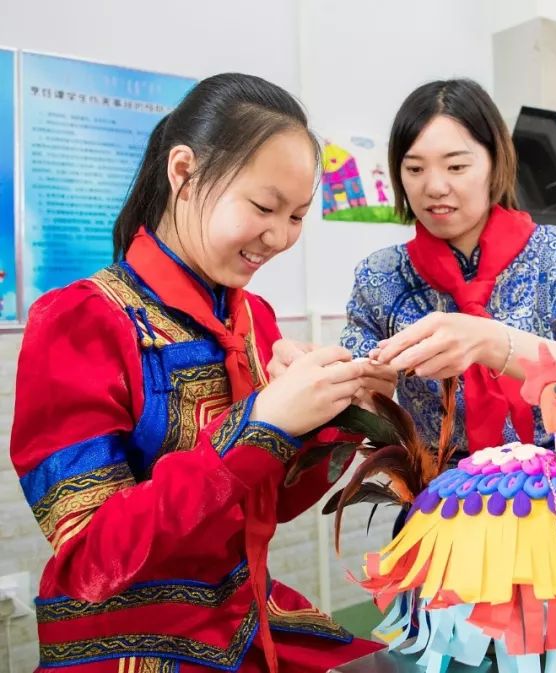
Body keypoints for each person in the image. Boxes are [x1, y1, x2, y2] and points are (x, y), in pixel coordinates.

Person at [11, 73, 381, 672]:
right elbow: (89, 559)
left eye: (297, 215)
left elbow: (269, 506)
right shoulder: (81, 320)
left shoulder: (254, 318)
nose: (279, 236)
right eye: (263, 207)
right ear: (183, 171)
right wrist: (259, 425)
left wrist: (340, 415)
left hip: (242, 616)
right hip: (133, 639)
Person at [338, 78, 556, 454]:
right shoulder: (382, 274)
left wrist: (491, 342)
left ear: (495, 163)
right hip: (435, 485)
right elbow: (355, 398)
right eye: (415, 169)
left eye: (456, 166)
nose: (435, 186)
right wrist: (358, 386)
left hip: (549, 479)